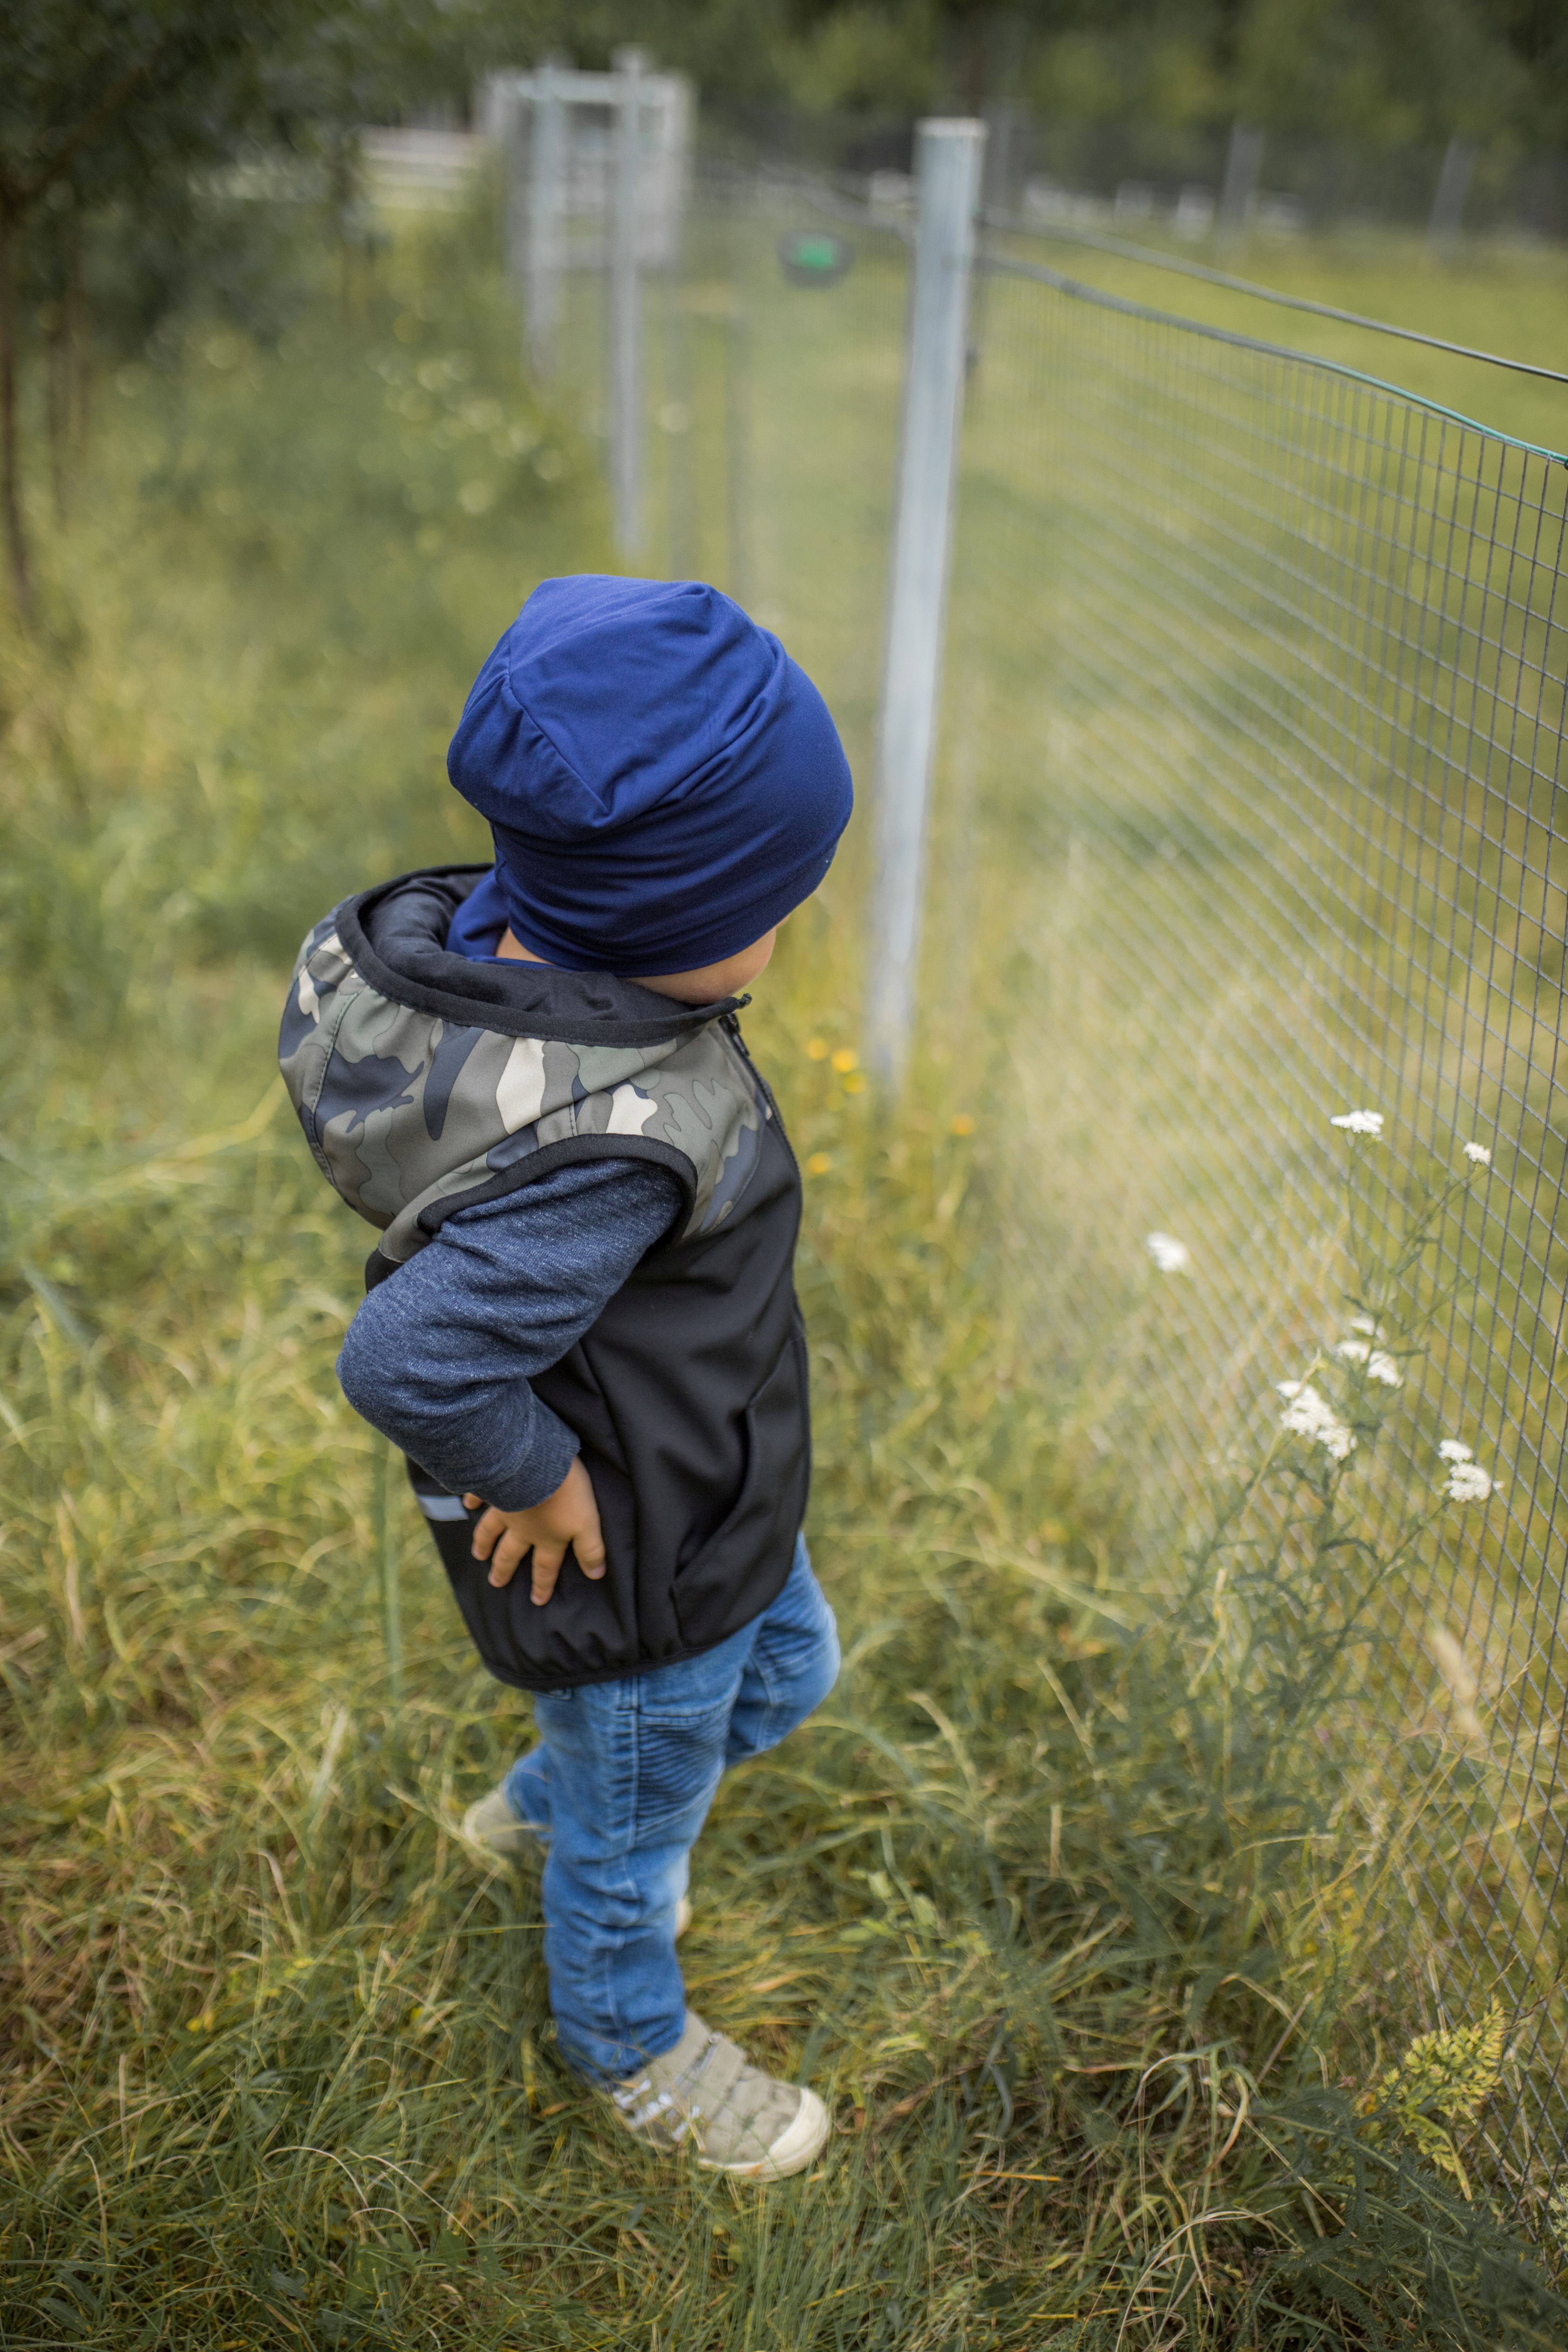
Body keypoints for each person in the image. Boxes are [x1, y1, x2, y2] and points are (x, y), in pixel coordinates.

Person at [278, 574, 853, 2180]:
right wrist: (532, 1474)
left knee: (792, 1678)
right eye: (777, 895)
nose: (789, 924)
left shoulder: (507, 952)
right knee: (640, 1834)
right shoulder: (606, 1142)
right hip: (629, 1543)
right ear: (667, 920)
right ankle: (629, 2043)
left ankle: (542, 1799)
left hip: (711, 1477)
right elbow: (407, 1353)